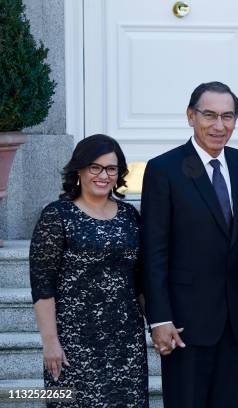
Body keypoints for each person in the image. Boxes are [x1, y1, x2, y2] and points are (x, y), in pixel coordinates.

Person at [141, 81, 238, 408]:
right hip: (184, 323)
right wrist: (159, 319)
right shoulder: (164, 170)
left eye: (228, 117)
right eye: (210, 115)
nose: (219, 126)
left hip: (235, 319)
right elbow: (154, 251)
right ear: (191, 116)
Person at [29, 134, 148, 407]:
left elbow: (140, 280)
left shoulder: (130, 216)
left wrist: (157, 323)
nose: (103, 175)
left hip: (126, 342)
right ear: (79, 170)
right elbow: (42, 284)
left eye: (111, 168)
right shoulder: (57, 215)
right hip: (74, 342)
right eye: (95, 167)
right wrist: (50, 342)